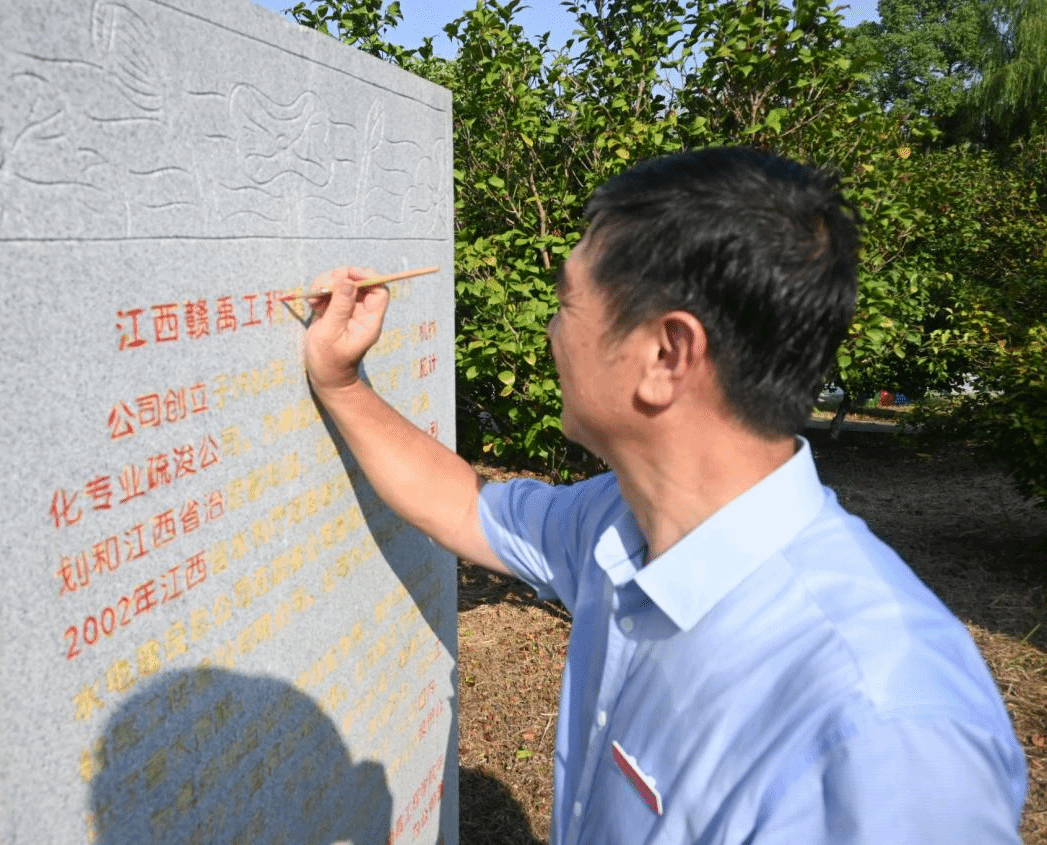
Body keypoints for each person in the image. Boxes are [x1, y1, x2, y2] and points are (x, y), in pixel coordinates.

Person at [302, 147, 1026, 844]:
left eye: (565, 303)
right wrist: (341, 381)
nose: (550, 332)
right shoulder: (614, 522)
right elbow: (463, 505)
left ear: (665, 355)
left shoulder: (882, 732)